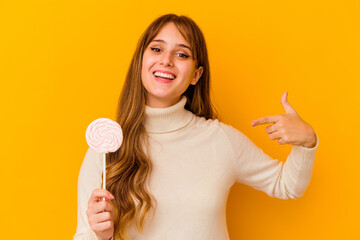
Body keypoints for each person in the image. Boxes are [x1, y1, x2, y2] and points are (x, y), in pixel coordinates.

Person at [74, 14, 319, 240]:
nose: (166, 60)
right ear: (141, 61)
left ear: (195, 75)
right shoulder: (106, 147)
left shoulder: (221, 140)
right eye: (157, 49)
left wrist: (306, 142)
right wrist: (100, 234)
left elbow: (286, 185)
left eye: (182, 54)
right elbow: (83, 235)